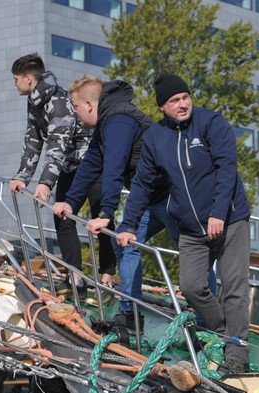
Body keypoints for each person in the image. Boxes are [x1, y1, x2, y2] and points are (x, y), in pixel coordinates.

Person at [117, 74, 250, 369]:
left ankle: (237, 354)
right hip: (191, 228)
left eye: (185, 97)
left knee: (233, 287)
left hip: (229, 220)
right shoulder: (155, 138)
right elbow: (142, 184)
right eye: (174, 100)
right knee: (191, 286)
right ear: (162, 106)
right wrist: (128, 224)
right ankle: (218, 331)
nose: (182, 104)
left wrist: (218, 213)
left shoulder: (211, 123)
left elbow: (227, 169)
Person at [53, 75, 173, 330]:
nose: (75, 114)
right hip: (149, 201)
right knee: (124, 242)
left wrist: (106, 211)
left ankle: (211, 321)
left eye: (74, 107)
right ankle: (130, 315)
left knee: (195, 251)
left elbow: (113, 167)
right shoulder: (107, 123)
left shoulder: (119, 121)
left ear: (88, 104)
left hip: (173, 199)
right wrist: (70, 202)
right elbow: (91, 164)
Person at [9, 53, 97, 290]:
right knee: (63, 219)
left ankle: (107, 277)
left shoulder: (58, 102)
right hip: (68, 168)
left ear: (28, 78)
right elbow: (33, 140)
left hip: (91, 166)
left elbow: (57, 143)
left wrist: (45, 183)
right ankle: (75, 278)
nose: (14, 83)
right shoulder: (35, 102)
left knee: (101, 219)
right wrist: (22, 176)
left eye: (15, 79)